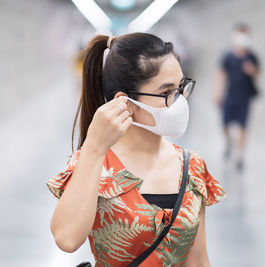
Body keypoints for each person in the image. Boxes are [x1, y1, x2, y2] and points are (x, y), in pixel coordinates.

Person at [47, 33, 227, 266]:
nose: (180, 100)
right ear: (126, 101)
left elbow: (199, 260)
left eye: (181, 87)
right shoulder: (95, 162)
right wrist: (93, 148)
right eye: (166, 92)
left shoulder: (192, 166)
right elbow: (67, 238)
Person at [215, 23, 260, 171]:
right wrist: (218, 93)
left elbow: (259, 73)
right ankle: (228, 143)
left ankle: (240, 156)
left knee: (243, 126)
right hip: (230, 96)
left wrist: (252, 71)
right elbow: (222, 75)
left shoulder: (252, 56)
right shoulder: (228, 56)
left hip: (245, 97)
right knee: (225, 124)